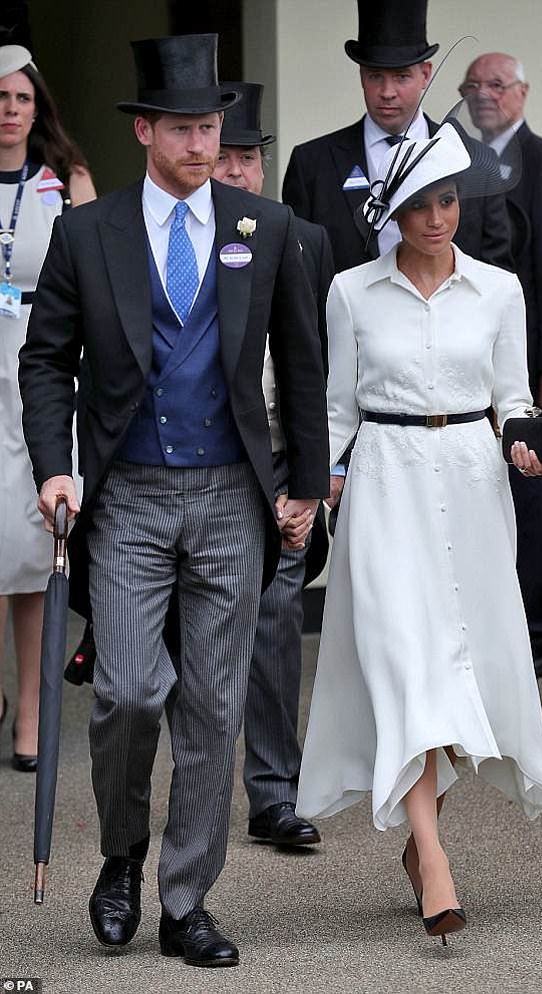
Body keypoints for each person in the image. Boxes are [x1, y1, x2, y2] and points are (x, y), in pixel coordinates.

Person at [18, 33, 329, 969]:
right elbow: (45, 361)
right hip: (130, 499)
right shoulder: (88, 232)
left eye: (214, 128)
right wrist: (54, 464)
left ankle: (185, 899)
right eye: (186, 129)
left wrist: (305, 486)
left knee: (212, 704)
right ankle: (121, 851)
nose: (204, 145)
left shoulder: (261, 228)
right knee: (125, 691)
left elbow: (302, 367)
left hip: (234, 496)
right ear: (146, 130)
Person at [295, 123, 542, 945]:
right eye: (420, 204)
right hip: (383, 480)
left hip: (472, 481)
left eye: (449, 200)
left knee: (458, 670)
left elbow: (513, 396)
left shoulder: (501, 291)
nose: (439, 217)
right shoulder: (349, 292)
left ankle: (420, 844)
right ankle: (436, 860)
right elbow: (337, 408)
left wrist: (526, 440)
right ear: (394, 213)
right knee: (405, 662)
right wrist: (316, 486)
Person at [213, 81, 333, 848]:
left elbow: (313, 364)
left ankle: (272, 794)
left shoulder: (301, 239)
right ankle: (195, 784)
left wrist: (309, 484)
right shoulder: (177, 241)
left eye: (248, 158)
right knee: (193, 639)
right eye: (223, 157)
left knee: (277, 625)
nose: (234, 172)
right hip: (199, 467)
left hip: (279, 462)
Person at [459, 52, 542, 677]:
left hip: (529, 362)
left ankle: (540, 636)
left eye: (498, 85)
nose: (485, 94)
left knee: (529, 492)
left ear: (523, 93)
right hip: (467, 358)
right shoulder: (459, 160)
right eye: (473, 85)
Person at [0, 37, 95, 771]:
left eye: (22, 97)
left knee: (35, 545)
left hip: (38, 370)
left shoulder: (64, 179)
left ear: (40, 108)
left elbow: (96, 278)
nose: (10, 110)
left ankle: (31, 711)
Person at [282, 0, 512, 275]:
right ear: (361, 76)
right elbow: (298, 275)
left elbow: (495, 271)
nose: (387, 91)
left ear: (425, 74)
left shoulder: (476, 159)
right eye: (375, 76)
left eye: (402, 76)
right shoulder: (312, 164)